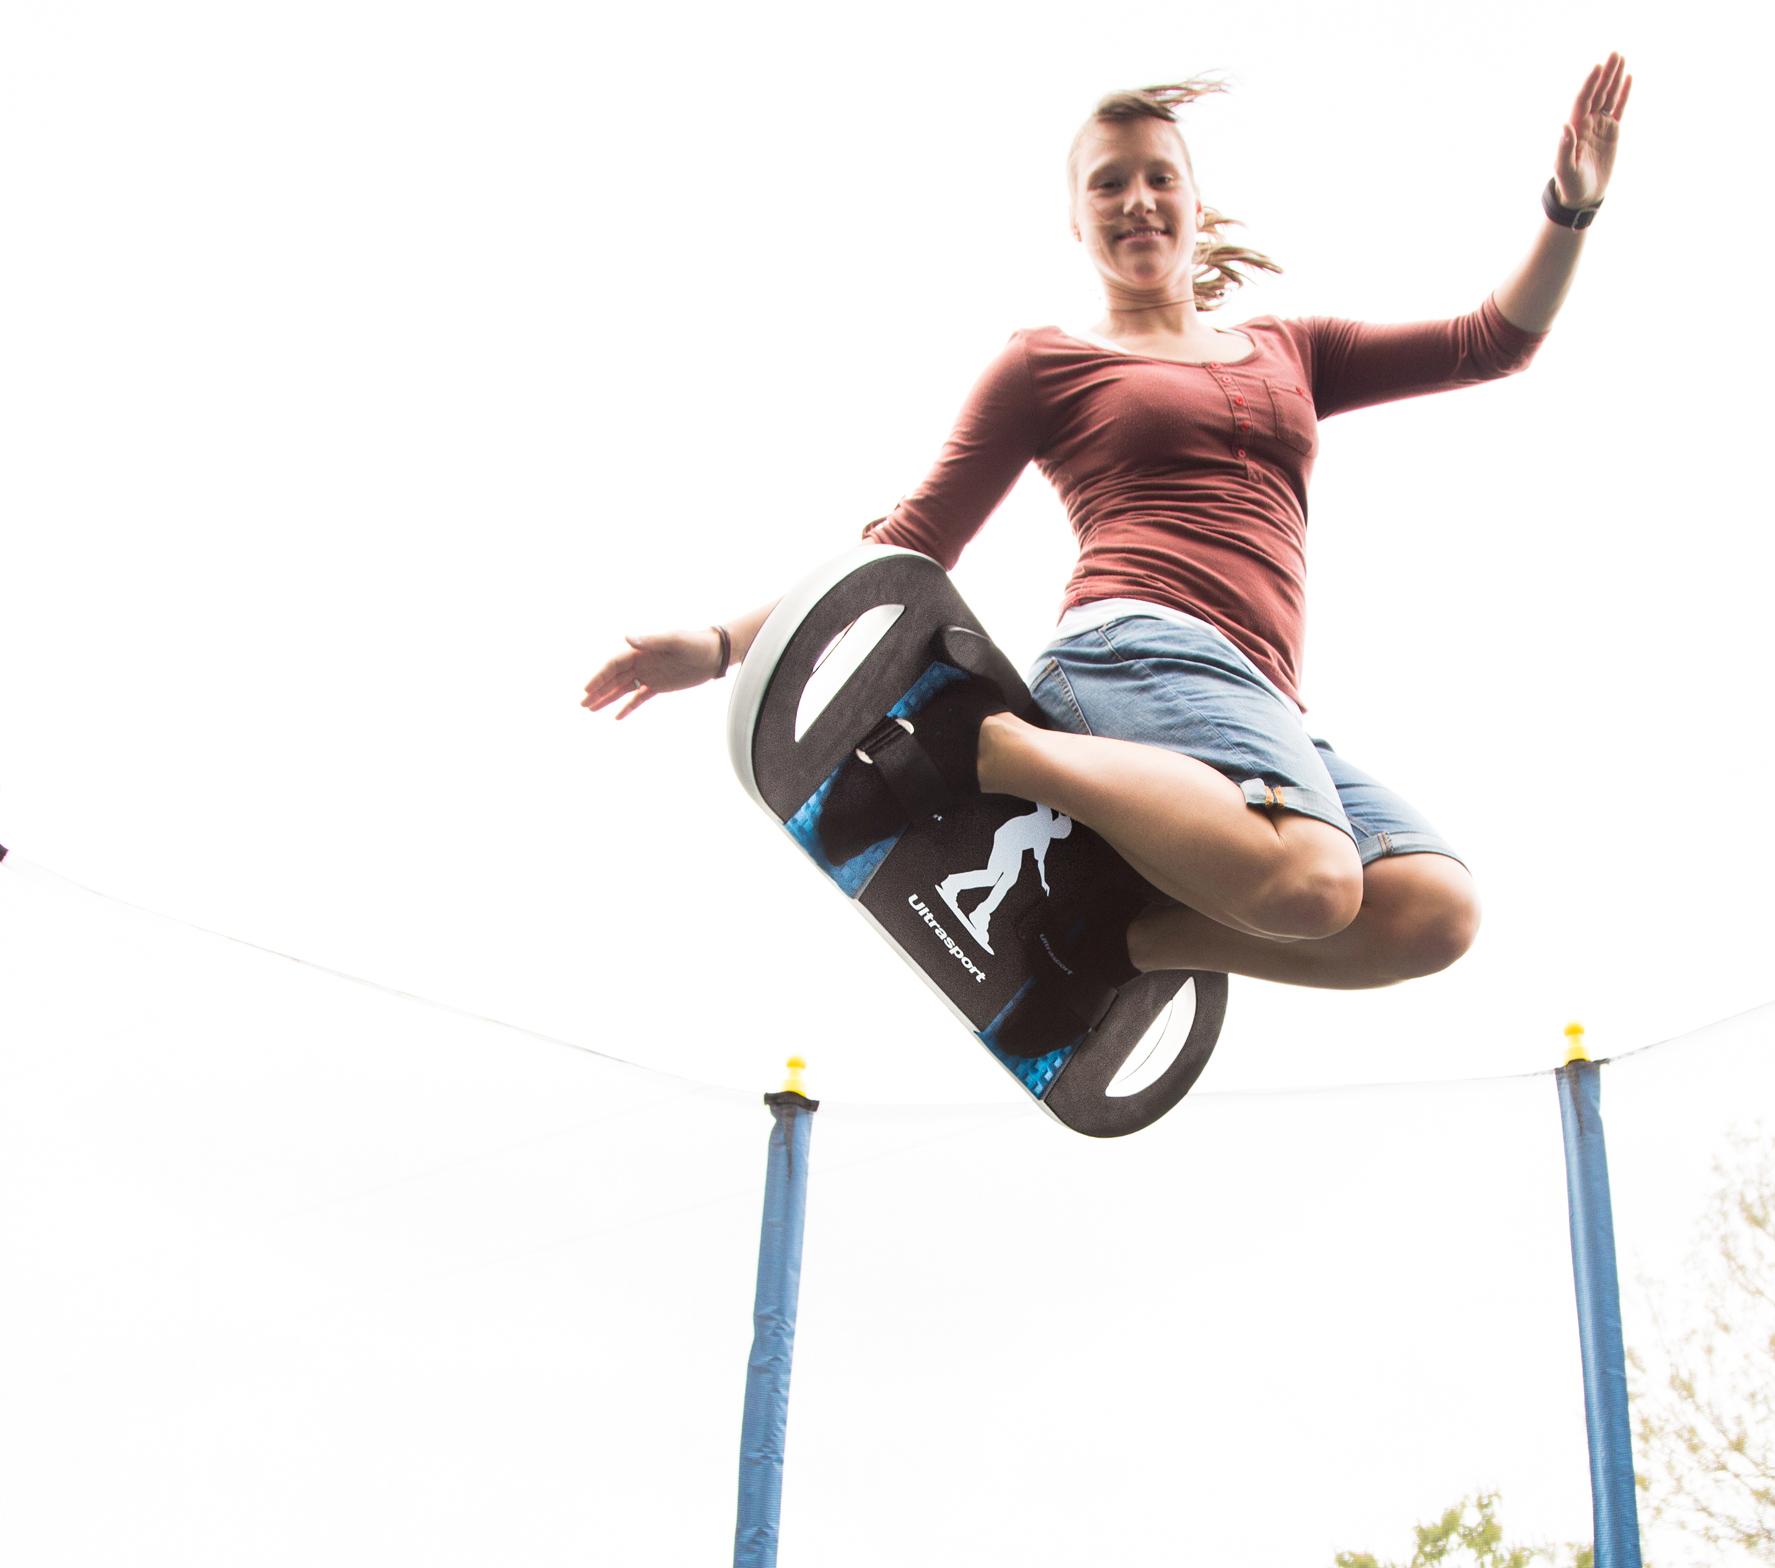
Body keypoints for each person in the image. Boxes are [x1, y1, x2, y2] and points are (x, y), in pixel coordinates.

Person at [583, 58, 1631, 1053]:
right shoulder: (1048, 363)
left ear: (1193, 202)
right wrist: (723, 644)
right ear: (1077, 220)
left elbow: (1492, 341)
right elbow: (911, 541)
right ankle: (981, 745)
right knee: (1315, 883)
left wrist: (1568, 209)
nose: (1137, 199)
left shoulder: (1290, 351)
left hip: (1258, 697)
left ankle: (1115, 940)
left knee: (1429, 911)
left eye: (1157, 178)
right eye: (1108, 183)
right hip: (1130, 652)